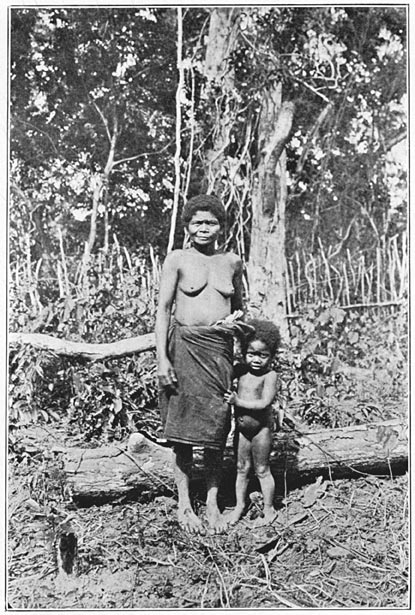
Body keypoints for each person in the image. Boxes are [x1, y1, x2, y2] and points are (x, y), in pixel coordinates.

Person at [155, 194, 247, 535]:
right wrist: (162, 359)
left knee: (216, 429)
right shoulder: (177, 259)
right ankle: (183, 503)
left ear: (221, 227)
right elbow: (164, 310)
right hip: (184, 348)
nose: (204, 228)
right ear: (187, 227)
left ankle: (210, 502)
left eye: (211, 223)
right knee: (181, 432)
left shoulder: (233, 262)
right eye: (198, 223)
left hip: (219, 352)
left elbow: (240, 311)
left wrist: (241, 345)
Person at [224, 319, 281, 526]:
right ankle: (239, 505)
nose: (256, 359)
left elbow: (265, 402)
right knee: (241, 468)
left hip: (261, 430)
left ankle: (269, 508)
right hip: (242, 430)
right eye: (251, 354)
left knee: (262, 470)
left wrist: (237, 401)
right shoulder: (240, 370)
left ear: (271, 356)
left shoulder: (270, 376)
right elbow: (224, 372)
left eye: (262, 355)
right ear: (244, 352)